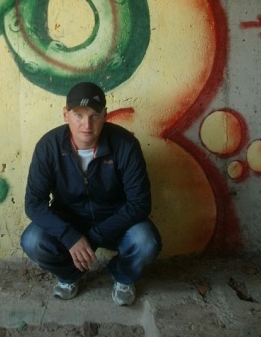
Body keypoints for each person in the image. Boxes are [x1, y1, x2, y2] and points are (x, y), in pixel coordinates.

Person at [21, 82, 161, 305]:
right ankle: (70, 275)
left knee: (146, 241)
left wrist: (93, 237)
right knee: (32, 240)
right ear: (65, 114)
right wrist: (70, 236)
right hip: (69, 219)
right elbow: (33, 204)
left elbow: (140, 203)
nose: (87, 125)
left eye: (94, 115)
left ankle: (122, 276)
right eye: (79, 115)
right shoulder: (49, 146)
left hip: (115, 220)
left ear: (105, 115)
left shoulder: (125, 145)